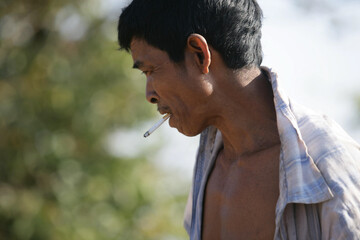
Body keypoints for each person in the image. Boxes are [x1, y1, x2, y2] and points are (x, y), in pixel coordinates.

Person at [117, 0, 360, 239]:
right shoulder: (210, 160)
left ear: (199, 55)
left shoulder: (327, 166)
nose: (149, 95)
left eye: (150, 71)